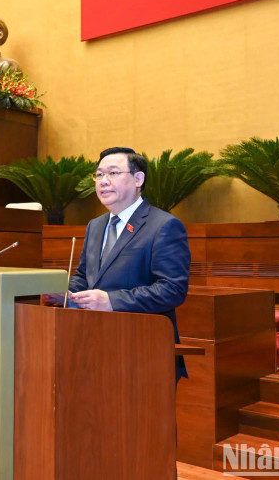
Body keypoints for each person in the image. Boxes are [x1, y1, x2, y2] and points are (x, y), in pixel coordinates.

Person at [66, 147, 190, 381]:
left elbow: (172, 290)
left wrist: (111, 300)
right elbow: (85, 276)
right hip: (94, 345)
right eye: (99, 175)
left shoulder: (163, 225)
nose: (103, 181)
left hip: (143, 351)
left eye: (112, 173)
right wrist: (66, 293)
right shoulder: (95, 225)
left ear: (138, 179)